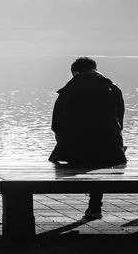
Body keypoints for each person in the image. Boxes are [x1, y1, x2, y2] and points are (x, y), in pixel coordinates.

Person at [48, 55, 126, 219]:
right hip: (110, 148)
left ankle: (90, 205)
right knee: (98, 162)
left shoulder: (68, 91)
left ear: (75, 72)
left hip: (75, 148)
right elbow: (120, 119)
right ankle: (95, 205)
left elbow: (57, 123)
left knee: (78, 160)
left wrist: (62, 143)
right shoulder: (112, 88)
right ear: (95, 69)